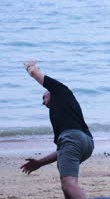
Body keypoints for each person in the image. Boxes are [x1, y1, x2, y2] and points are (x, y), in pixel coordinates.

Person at [20, 60, 94, 199]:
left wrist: (30, 66)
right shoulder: (63, 111)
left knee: (68, 184)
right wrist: (40, 163)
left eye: (44, 97)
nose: (42, 102)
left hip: (74, 138)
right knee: (67, 185)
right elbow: (63, 149)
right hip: (86, 142)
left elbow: (36, 74)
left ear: (51, 93)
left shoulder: (60, 90)